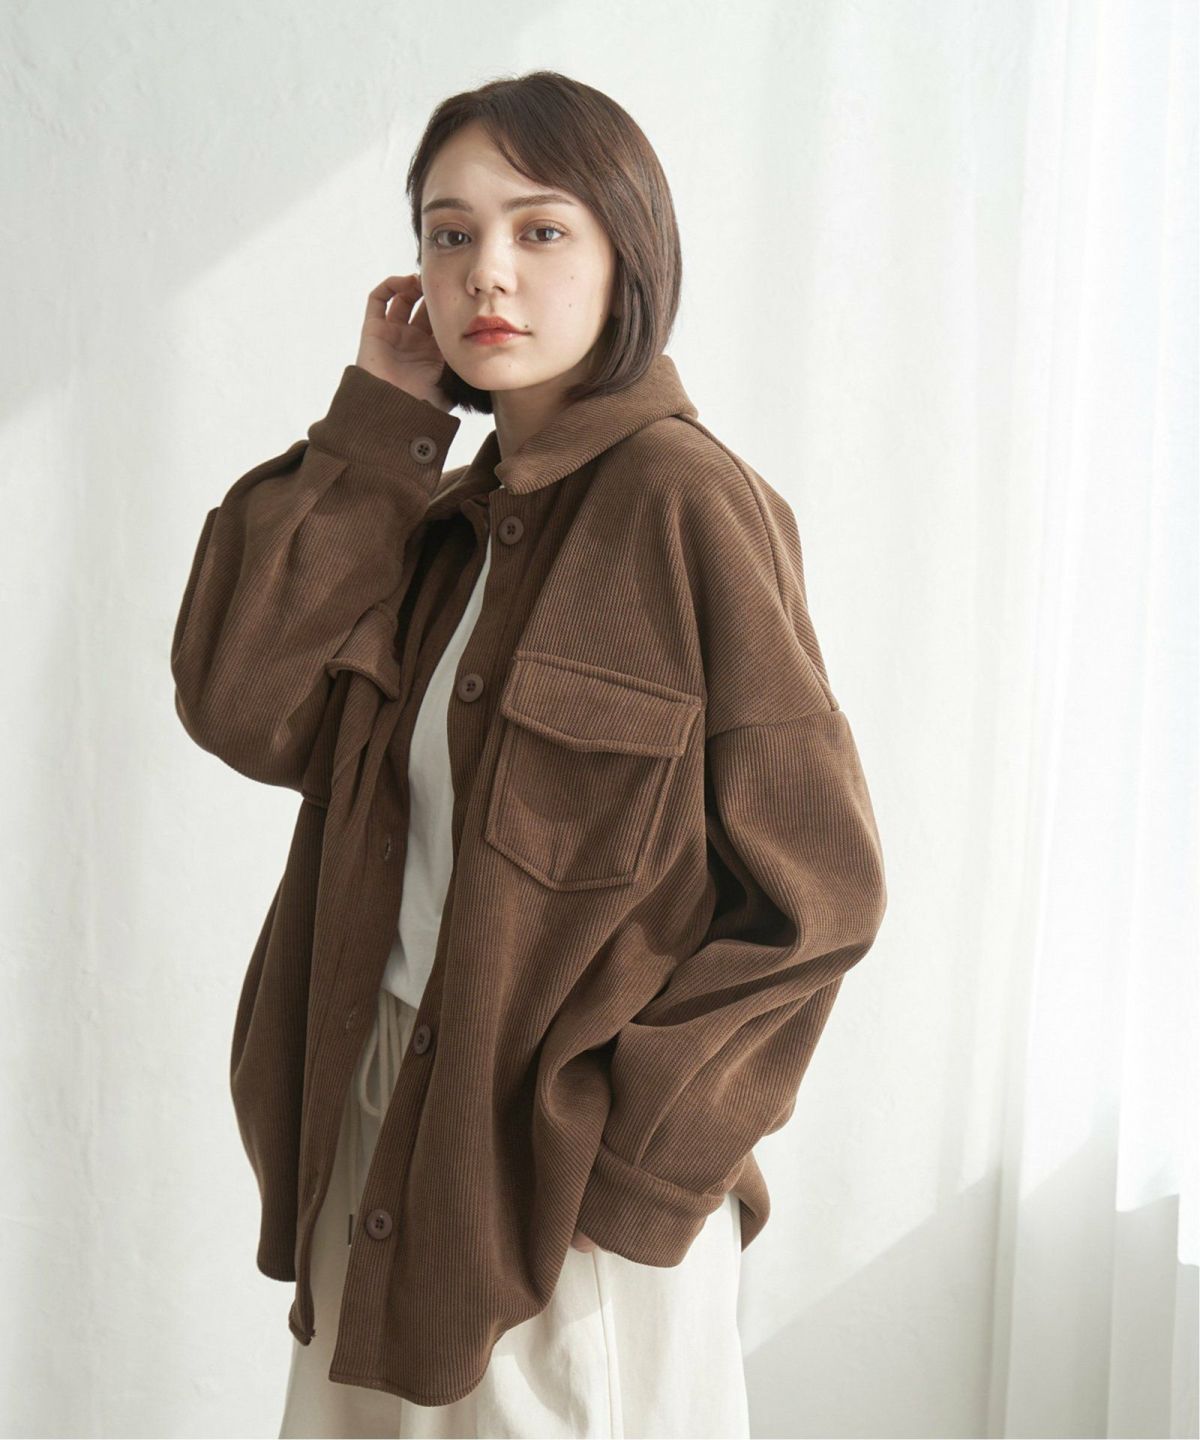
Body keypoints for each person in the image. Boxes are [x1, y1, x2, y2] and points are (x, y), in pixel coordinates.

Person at [171, 69, 887, 1440]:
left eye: (540, 229)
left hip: (559, 1184)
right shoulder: (440, 525)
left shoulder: (689, 505)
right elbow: (239, 700)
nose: (485, 271)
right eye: (449, 234)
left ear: (628, 257)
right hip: (375, 1125)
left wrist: (629, 1170)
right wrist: (379, 427)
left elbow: (819, 894)